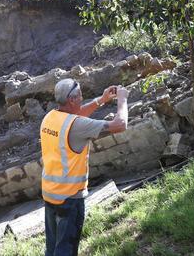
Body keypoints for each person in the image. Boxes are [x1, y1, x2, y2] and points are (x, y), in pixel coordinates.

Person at [41, 78, 129, 256]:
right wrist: (122, 99)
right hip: (70, 198)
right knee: (65, 250)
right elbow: (120, 125)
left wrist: (102, 100)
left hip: (50, 194)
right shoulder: (76, 125)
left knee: (52, 248)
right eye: (80, 95)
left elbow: (77, 116)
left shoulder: (51, 117)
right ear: (71, 100)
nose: (82, 98)